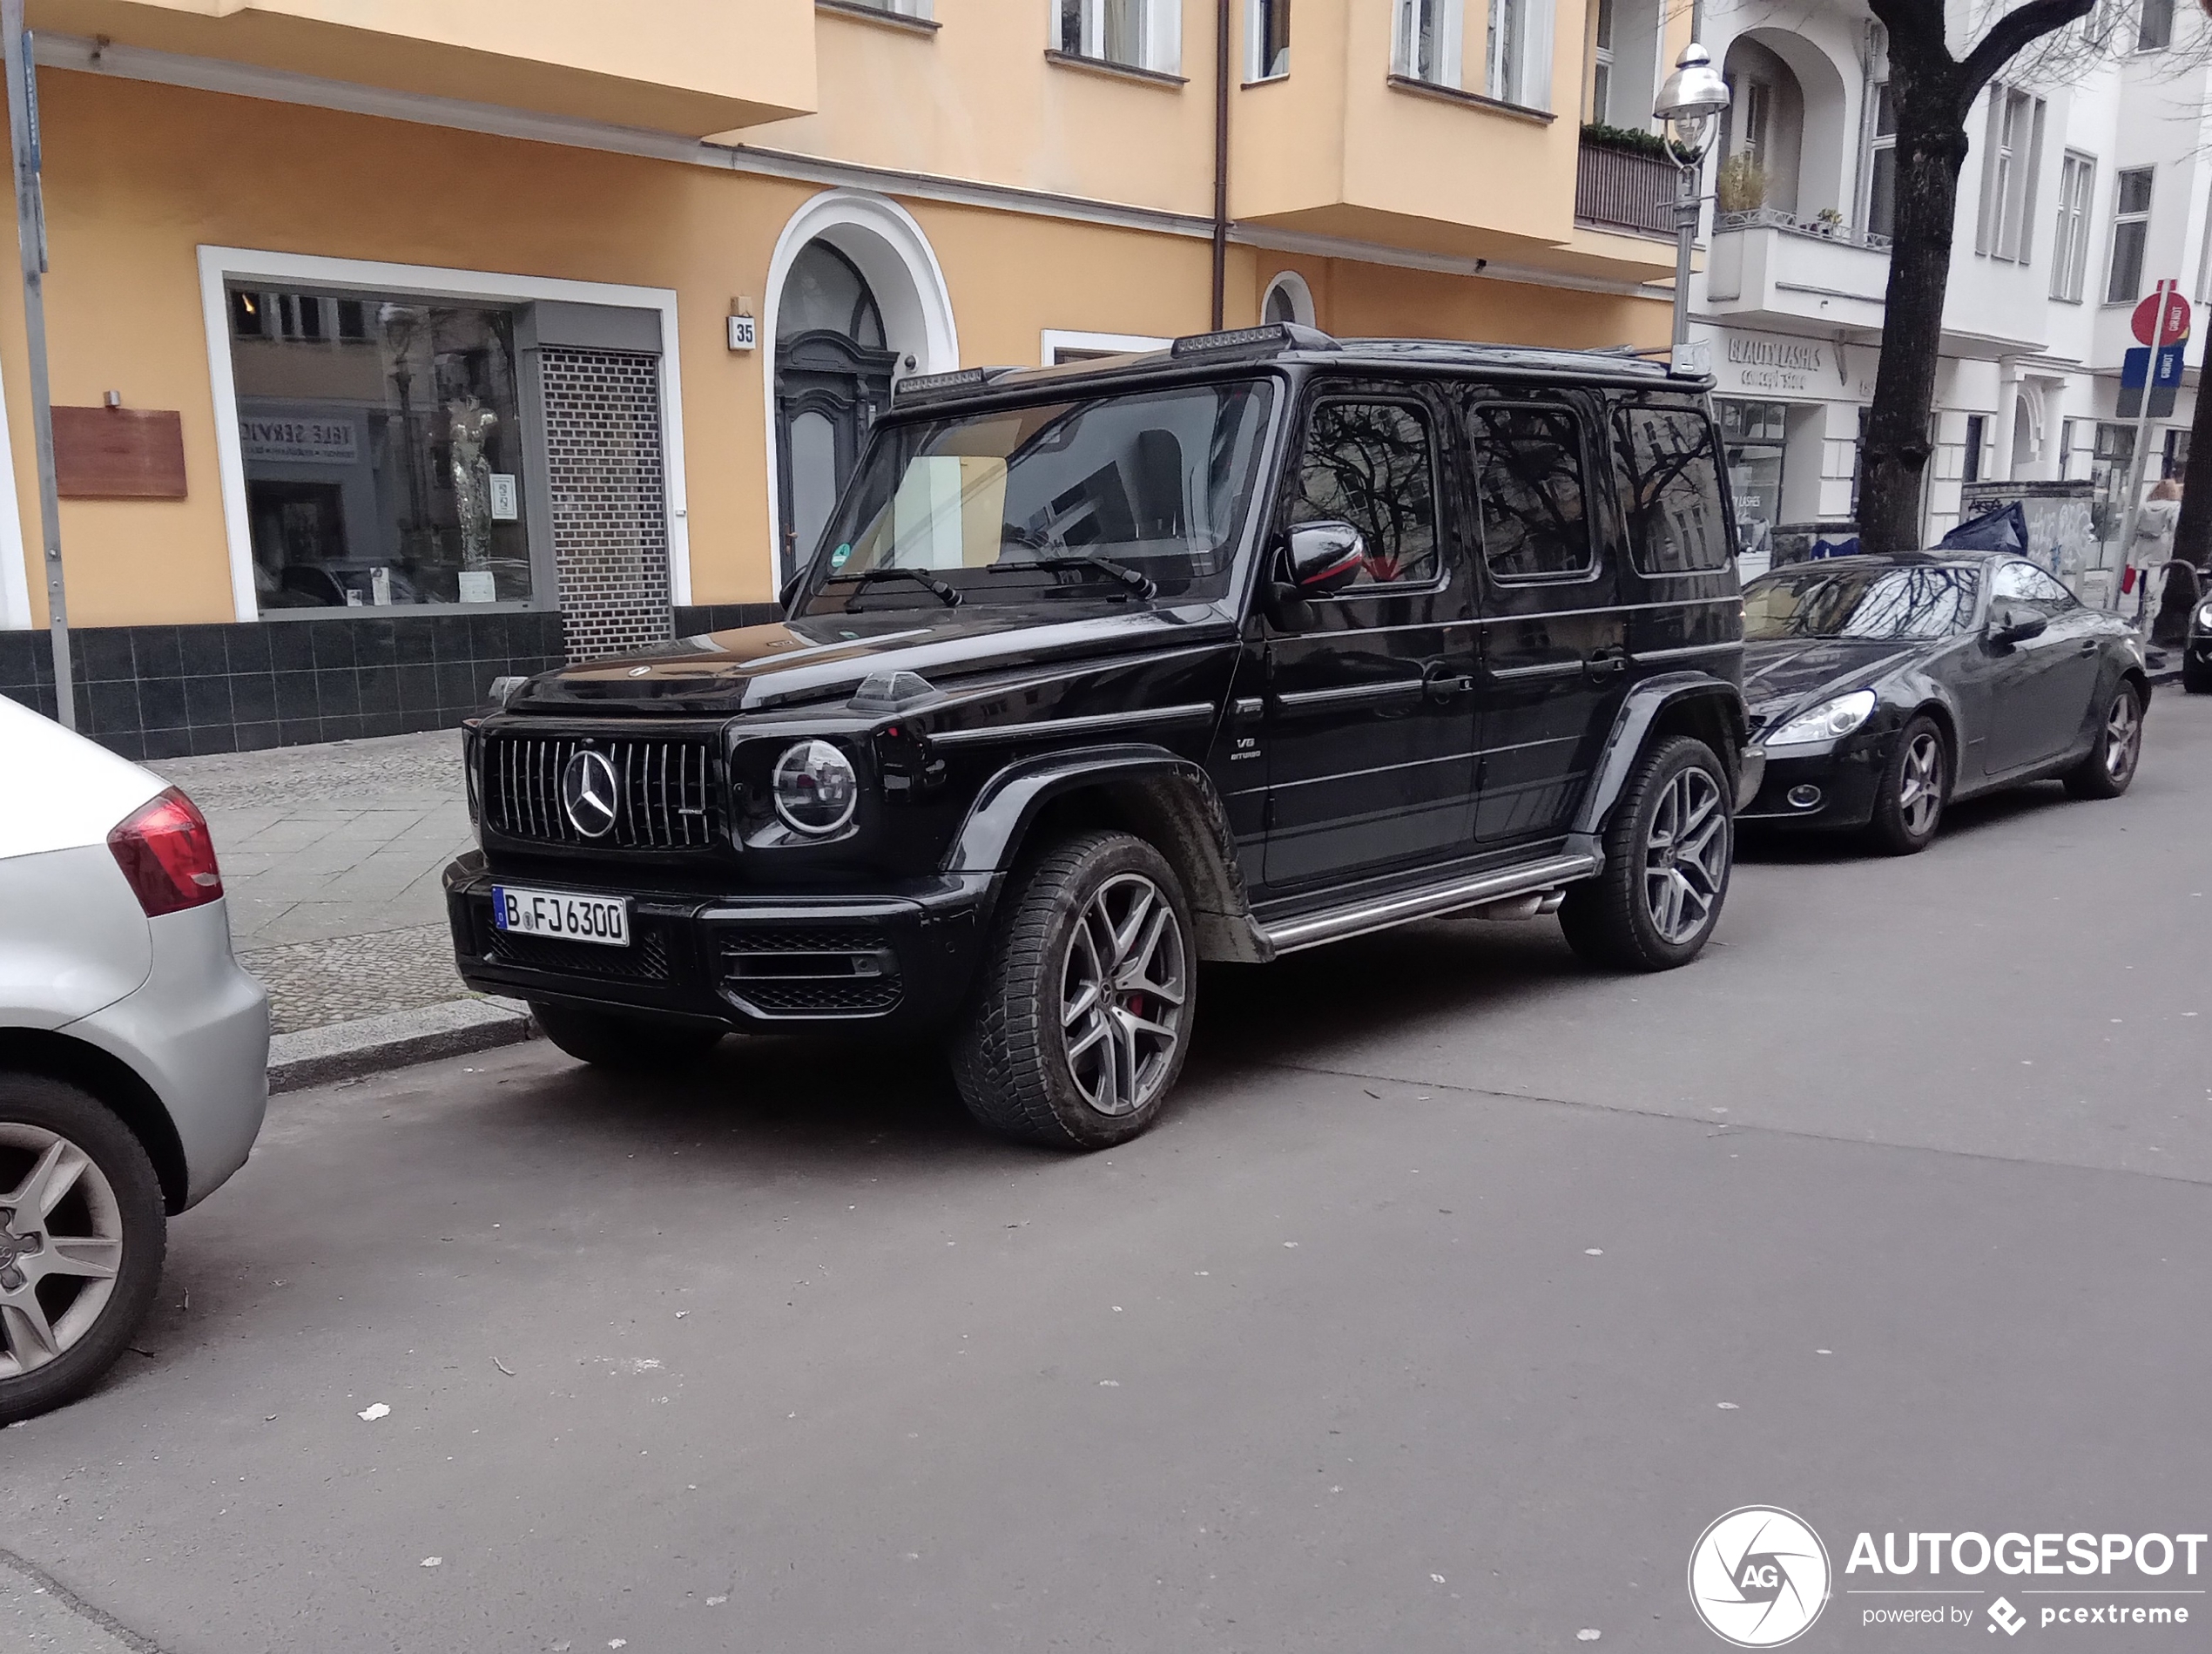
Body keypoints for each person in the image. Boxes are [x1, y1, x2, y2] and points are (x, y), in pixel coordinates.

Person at [2128, 476, 2182, 624]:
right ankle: (2150, 609)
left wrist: (2131, 543)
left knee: (2144, 575)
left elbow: (2134, 525)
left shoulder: (2145, 505)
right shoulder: (2174, 506)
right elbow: (2174, 527)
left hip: (2144, 543)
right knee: (2157, 574)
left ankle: (2141, 610)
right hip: (2161, 543)